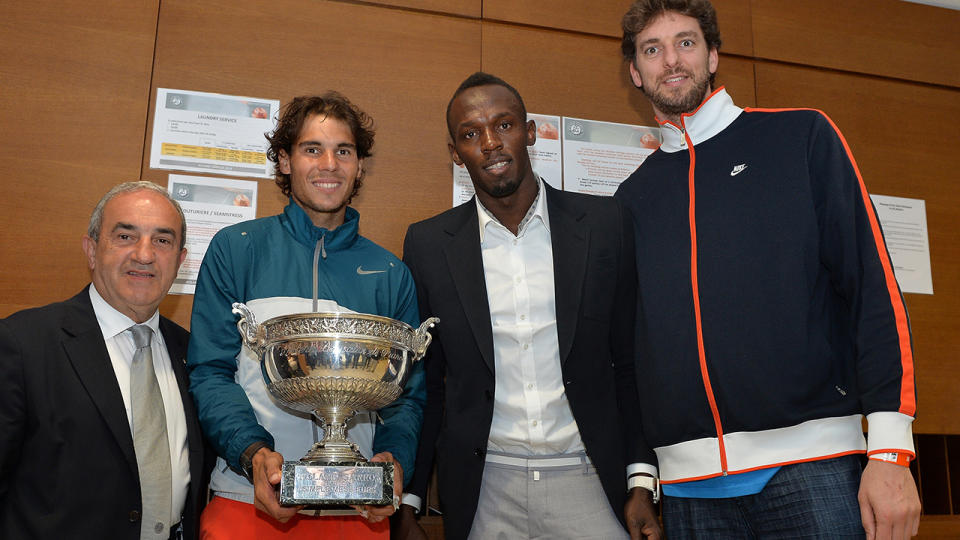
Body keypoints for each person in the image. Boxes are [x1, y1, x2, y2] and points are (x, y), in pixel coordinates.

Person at [615, 1, 921, 538]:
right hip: (690, 492)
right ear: (636, 73)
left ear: (713, 56)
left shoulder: (802, 137)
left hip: (815, 471)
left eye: (686, 42)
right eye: (652, 49)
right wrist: (645, 473)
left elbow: (872, 289)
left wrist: (891, 450)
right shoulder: (633, 196)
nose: (671, 61)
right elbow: (633, 346)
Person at [394, 72, 662, 540]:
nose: (491, 143)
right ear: (456, 154)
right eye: (471, 134)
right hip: (484, 490)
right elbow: (430, 381)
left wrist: (641, 478)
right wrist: (411, 501)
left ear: (531, 132)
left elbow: (631, 362)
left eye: (504, 124)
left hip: (591, 480)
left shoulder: (604, 224)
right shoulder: (429, 243)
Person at [187, 91, 424, 539]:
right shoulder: (236, 249)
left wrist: (394, 462)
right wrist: (253, 453)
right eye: (312, 149)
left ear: (359, 166)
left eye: (344, 151)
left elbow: (408, 397)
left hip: (359, 512)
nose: (329, 164)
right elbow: (210, 371)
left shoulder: (391, 272)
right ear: (284, 161)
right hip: (249, 500)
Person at [0, 181, 208, 539]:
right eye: (125, 236)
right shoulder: (23, 343)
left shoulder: (193, 354)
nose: (144, 255)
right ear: (92, 250)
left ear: (180, 261)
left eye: (162, 241)